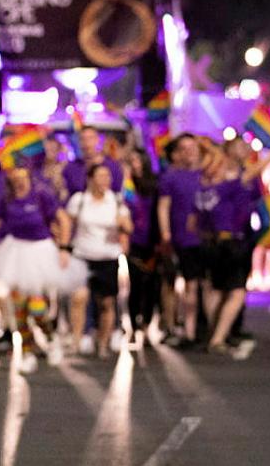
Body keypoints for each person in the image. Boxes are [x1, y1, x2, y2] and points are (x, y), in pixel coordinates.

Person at [0, 165, 74, 373]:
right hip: (14, 253)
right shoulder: (6, 198)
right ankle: (27, 351)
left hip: (39, 251)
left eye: (23, 175)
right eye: (15, 175)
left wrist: (65, 248)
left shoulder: (41, 195)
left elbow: (63, 220)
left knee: (37, 307)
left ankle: (50, 338)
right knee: (18, 307)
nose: (19, 179)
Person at [197, 139, 270, 354]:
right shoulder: (229, 179)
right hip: (231, 241)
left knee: (216, 289)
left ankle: (214, 332)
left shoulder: (207, 184)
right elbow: (251, 172)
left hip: (217, 240)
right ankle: (217, 338)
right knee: (236, 293)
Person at [66, 165, 132, 359]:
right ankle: (77, 341)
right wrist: (63, 247)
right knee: (79, 298)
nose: (105, 180)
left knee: (106, 302)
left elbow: (128, 228)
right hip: (82, 255)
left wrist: (123, 224)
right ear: (91, 179)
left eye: (108, 176)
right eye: (101, 176)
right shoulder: (79, 200)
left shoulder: (117, 201)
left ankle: (103, 343)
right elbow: (66, 222)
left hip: (108, 256)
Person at [157, 133, 205, 348]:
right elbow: (163, 206)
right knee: (175, 284)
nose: (189, 152)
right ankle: (174, 326)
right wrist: (166, 233)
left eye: (192, 147)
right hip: (179, 238)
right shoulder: (171, 176)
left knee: (197, 286)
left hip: (204, 239)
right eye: (184, 148)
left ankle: (193, 329)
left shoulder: (207, 174)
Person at [122, 148, 161, 347]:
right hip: (133, 240)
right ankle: (133, 328)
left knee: (152, 285)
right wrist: (126, 177)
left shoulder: (154, 184)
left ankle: (146, 326)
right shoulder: (127, 186)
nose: (135, 163)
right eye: (131, 160)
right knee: (135, 286)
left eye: (138, 159)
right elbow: (124, 204)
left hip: (152, 241)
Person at [63, 125, 123, 196]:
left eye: (90, 138)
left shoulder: (113, 166)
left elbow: (118, 193)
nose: (87, 143)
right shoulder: (71, 168)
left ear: (97, 140)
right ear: (79, 142)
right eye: (83, 139)